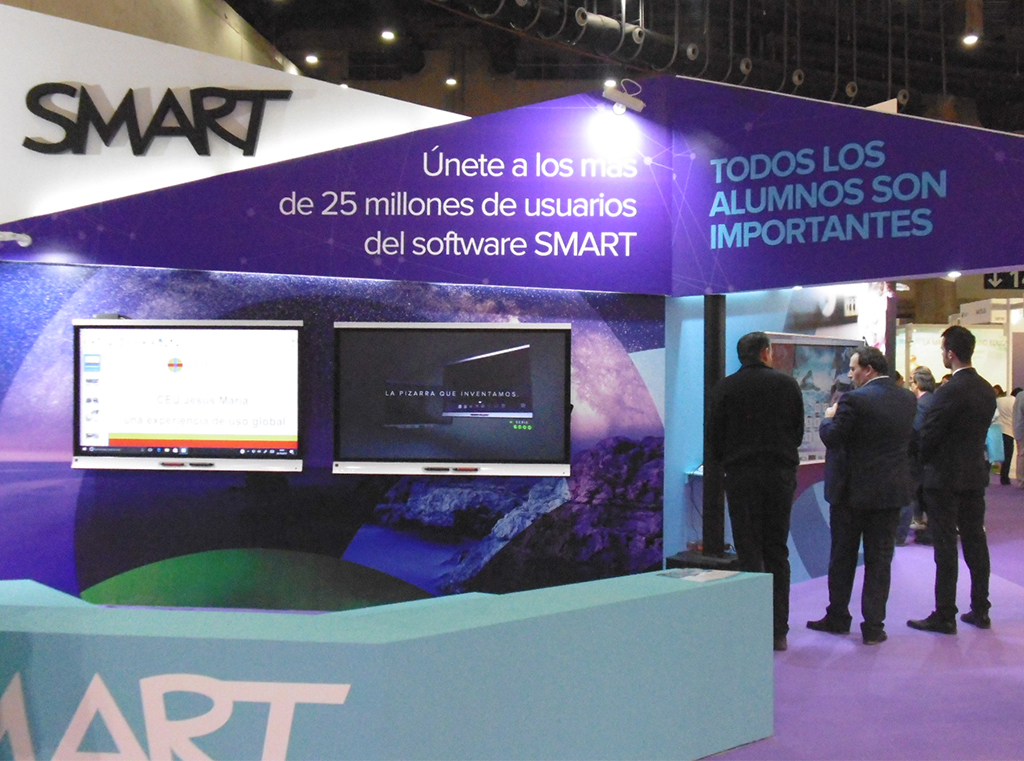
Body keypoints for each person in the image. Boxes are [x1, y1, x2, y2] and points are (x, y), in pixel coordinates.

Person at [807, 346, 917, 645]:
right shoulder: (907, 398)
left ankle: (838, 617)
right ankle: (874, 627)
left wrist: (828, 418)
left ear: (868, 369)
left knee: (842, 558)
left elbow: (833, 437)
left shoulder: (853, 400)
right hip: (889, 493)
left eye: (854, 368)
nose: (850, 374)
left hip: (851, 493)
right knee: (880, 561)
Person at [708, 331, 805, 652]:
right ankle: (778, 631)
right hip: (779, 476)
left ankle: (753, 627)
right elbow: (797, 433)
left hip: (741, 477)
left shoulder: (724, 388)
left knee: (748, 551)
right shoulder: (788, 385)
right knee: (777, 550)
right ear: (766, 352)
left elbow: (714, 439)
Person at [909, 325, 996, 634]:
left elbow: (929, 434)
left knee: (945, 547)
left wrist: (921, 461)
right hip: (973, 475)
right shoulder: (986, 389)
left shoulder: (948, 392)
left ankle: (945, 614)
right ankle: (981, 609)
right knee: (975, 542)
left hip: (943, 478)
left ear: (950, 353)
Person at [897, 366, 937, 545]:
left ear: (917, 384)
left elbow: (916, 430)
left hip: (917, 456)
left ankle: (899, 534)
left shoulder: (921, 404)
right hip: (930, 457)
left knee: (909, 495)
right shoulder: (934, 400)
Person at [996, 387, 1019, 485]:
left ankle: (985, 477)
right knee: (1007, 455)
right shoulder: (1016, 402)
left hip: (996, 429)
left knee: (992, 454)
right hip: (1009, 431)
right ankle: (1004, 477)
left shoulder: (999, 400)